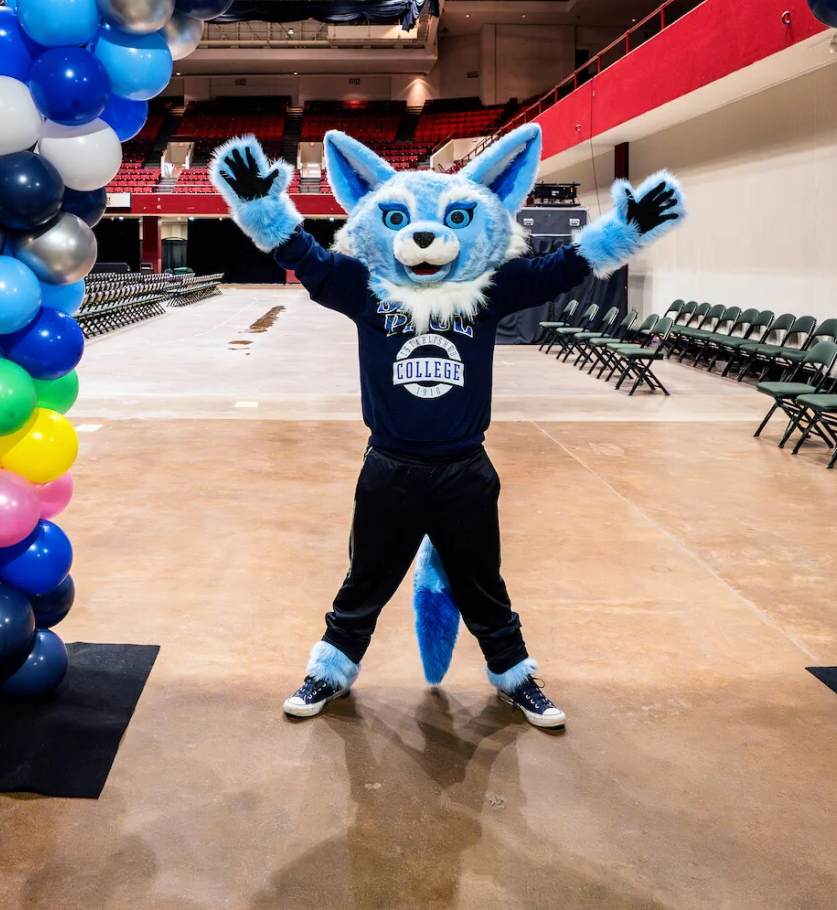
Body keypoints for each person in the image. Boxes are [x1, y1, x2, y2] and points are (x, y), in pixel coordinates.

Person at [211, 124, 685, 729]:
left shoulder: (486, 292)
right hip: (390, 466)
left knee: (482, 582)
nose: (425, 238)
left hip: (465, 468)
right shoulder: (366, 289)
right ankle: (330, 669)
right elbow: (304, 255)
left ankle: (514, 675)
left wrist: (627, 230)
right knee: (366, 580)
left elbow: (563, 267)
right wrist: (262, 208)